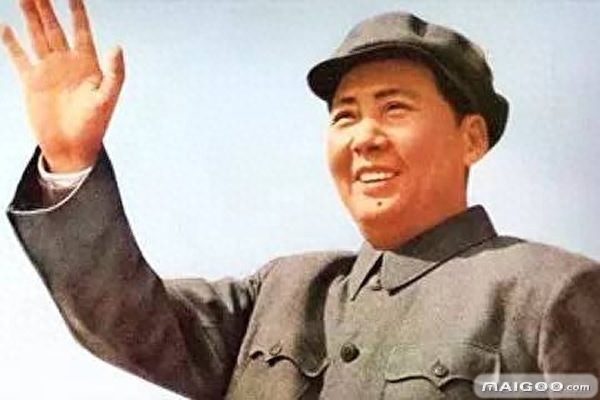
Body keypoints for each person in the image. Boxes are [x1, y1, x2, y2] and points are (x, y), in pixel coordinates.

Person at [2, 1, 599, 399]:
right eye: (345, 115)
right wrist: (70, 158)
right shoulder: (282, 293)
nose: (364, 137)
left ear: (471, 138)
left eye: (395, 109)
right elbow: (126, 318)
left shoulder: (548, 295)